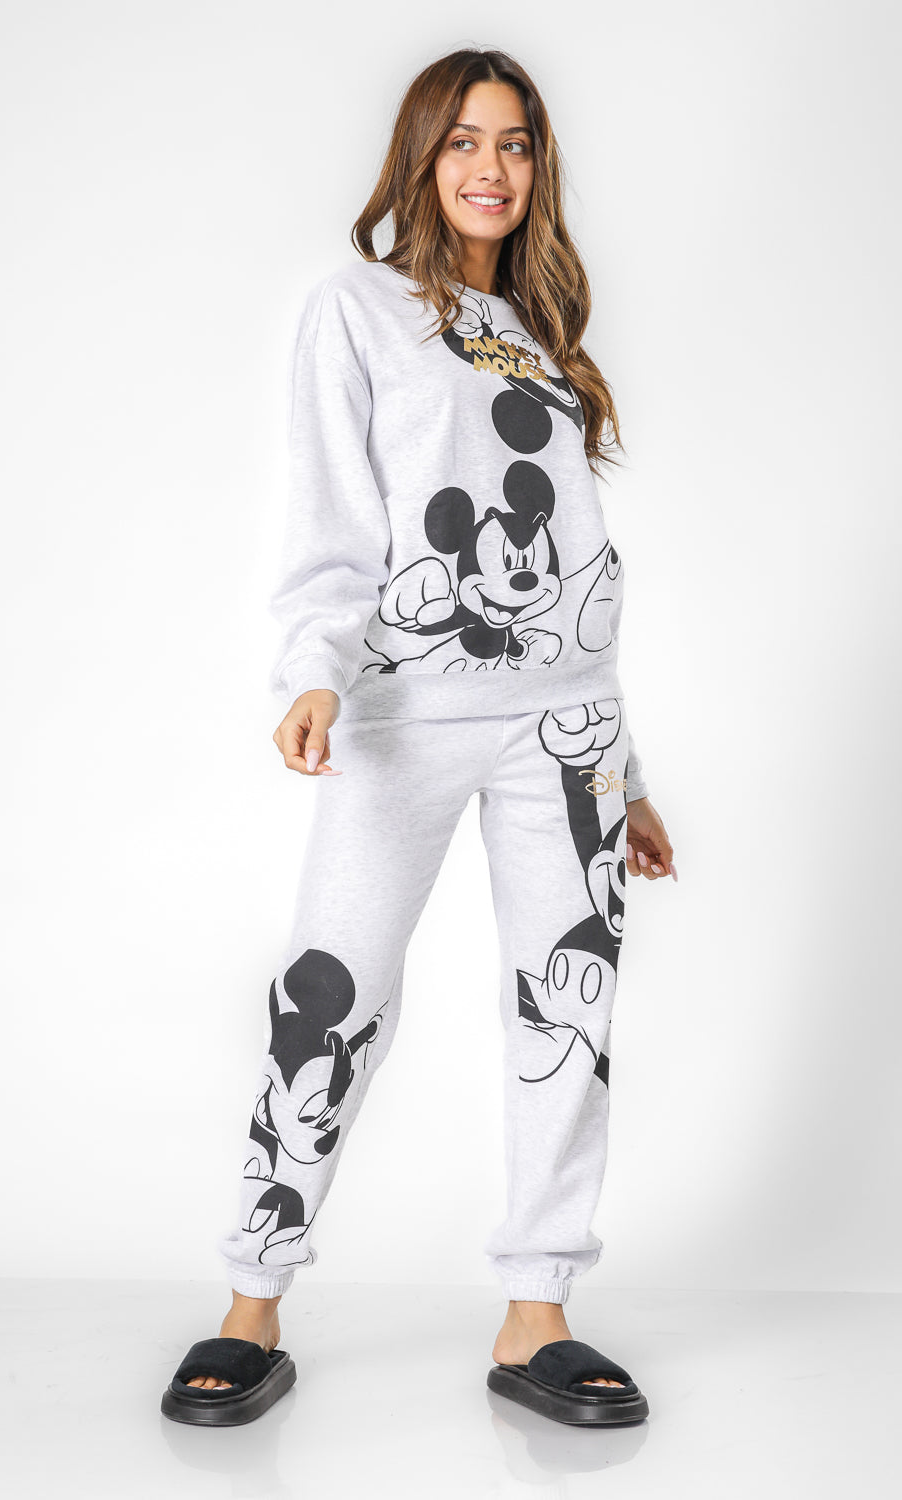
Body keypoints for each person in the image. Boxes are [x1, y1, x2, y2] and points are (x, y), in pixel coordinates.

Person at [161, 45, 675, 1430]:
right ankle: (253, 1298)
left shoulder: (544, 333)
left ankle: (537, 1307)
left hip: (570, 729)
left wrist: (625, 773)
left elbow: (576, 567)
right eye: (463, 141)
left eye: (513, 143)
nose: (490, 168)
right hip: (406, 711)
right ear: (419, 156)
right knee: (329, 995)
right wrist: (315, 672)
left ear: (537, 165)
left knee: (568, 1016)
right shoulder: (359, 308)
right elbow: (334, 513)